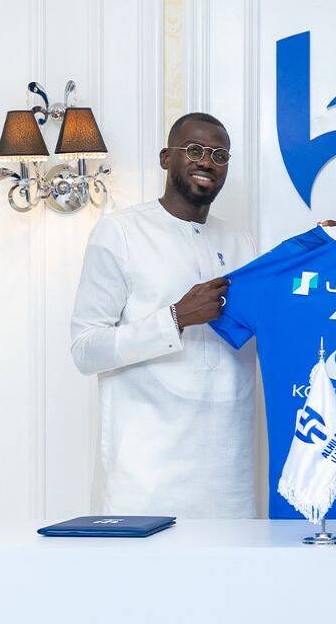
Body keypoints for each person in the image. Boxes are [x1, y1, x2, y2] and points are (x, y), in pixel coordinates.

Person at [70, 112, 259, 517]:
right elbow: (85, 350)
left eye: (219, 155)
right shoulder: (120, 232)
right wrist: (175, 318)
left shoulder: (241, 242)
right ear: (165, 157)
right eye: (194, 150)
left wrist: (325, 249)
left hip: (230, 476)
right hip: (146, 475)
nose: (207, 162)